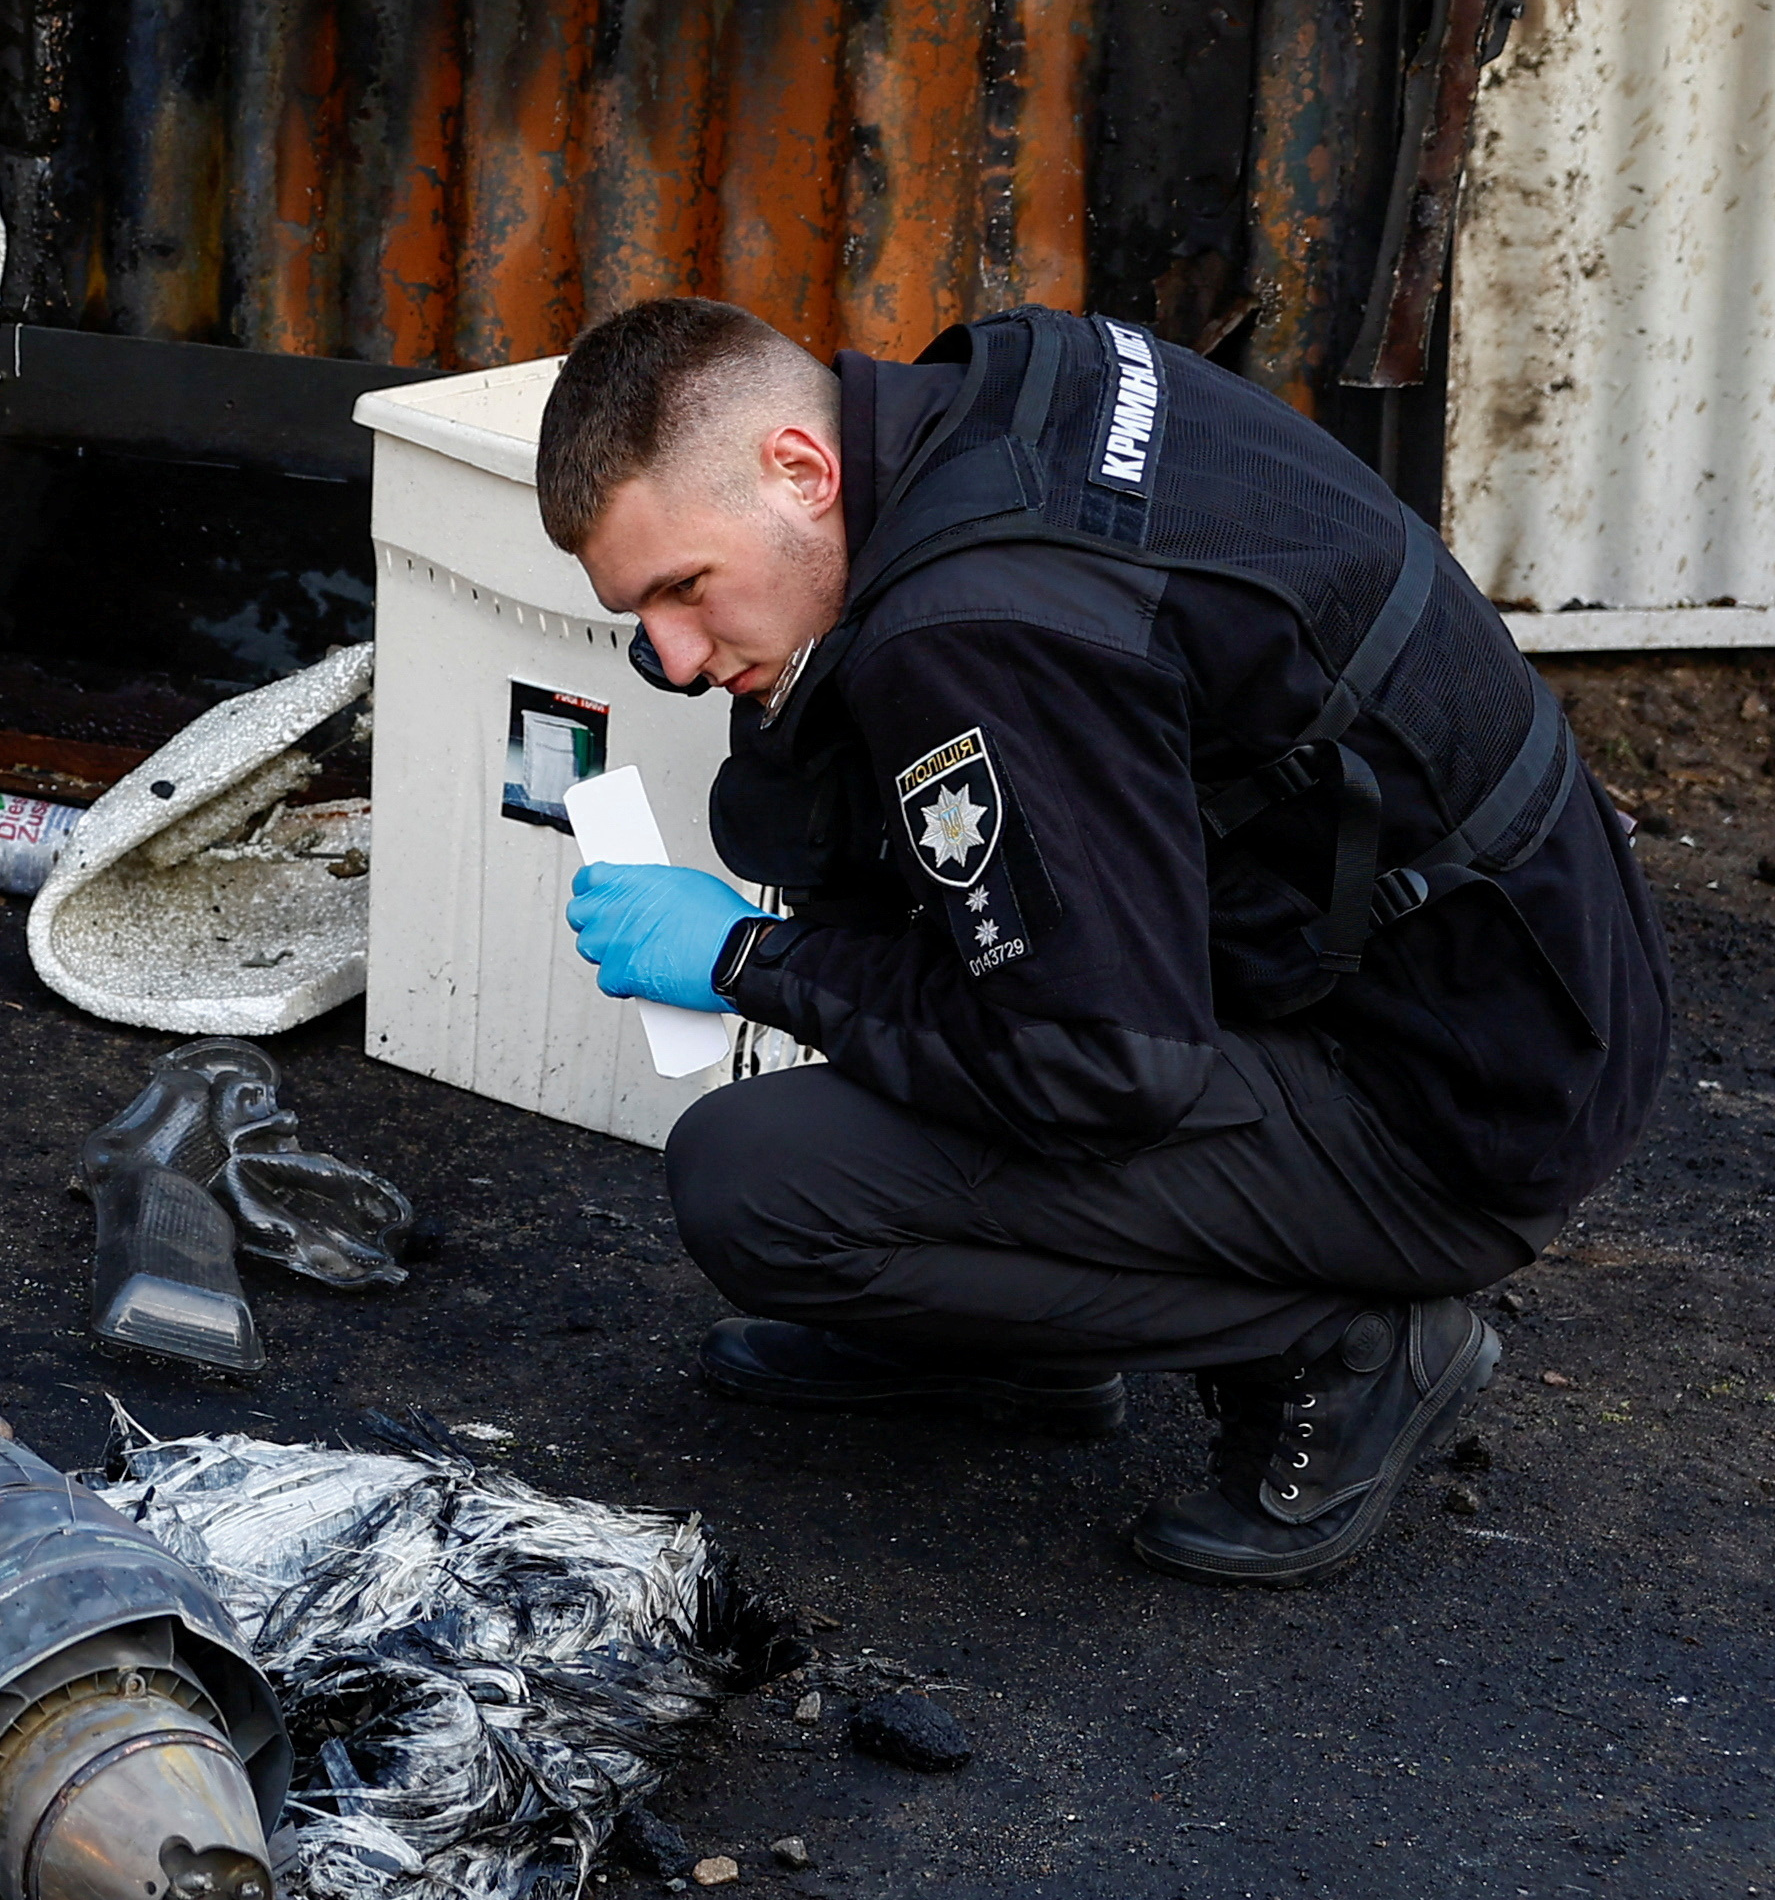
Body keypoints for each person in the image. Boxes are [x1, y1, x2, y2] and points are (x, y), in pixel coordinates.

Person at [534, 295, 1670, 1584]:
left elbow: (1095, 1063)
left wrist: (752, 962)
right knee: (856, 807)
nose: (673, 658)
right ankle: (1022, 1339)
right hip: (1502, 972)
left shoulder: (984, 627)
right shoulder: (1001, 394)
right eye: (643, 615)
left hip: (1457, 1110)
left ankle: (1347, 1344)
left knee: (764, 1189)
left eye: (686, 589)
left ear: (800, 468)